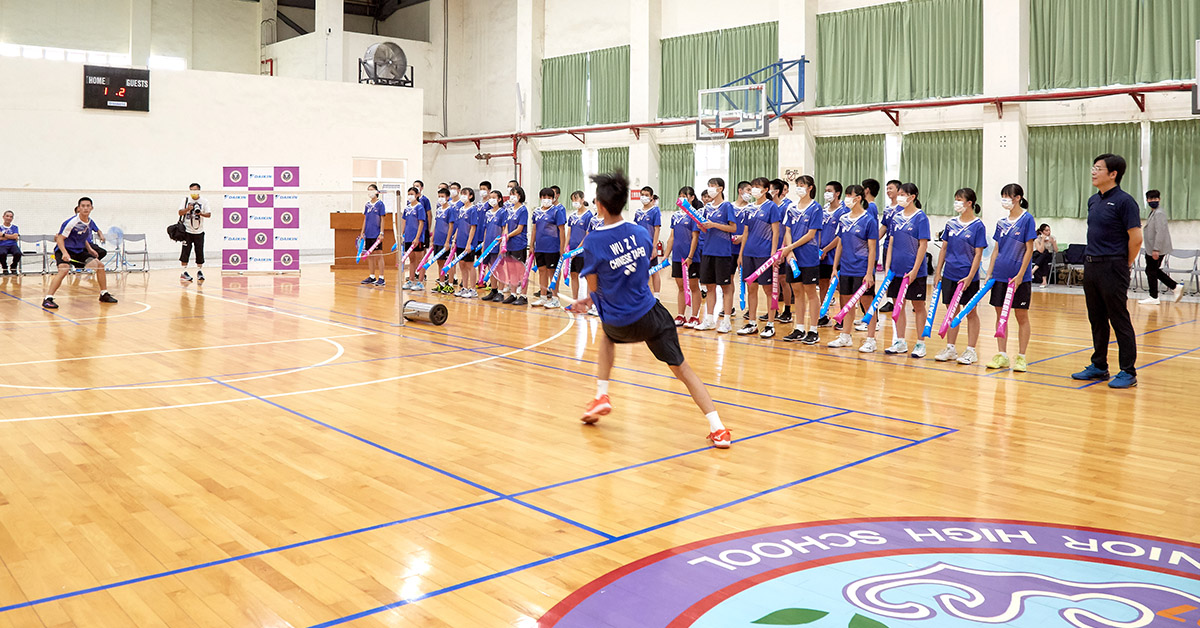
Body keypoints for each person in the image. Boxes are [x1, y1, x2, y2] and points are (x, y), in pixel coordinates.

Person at [569, 170, 731, 450]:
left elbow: (595, 288)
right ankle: (718, 428)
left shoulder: (593, 242)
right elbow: (640, 274)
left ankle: (602, 394)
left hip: (618, 318)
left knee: (608, 338)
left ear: (600, 205)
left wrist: (585, 301)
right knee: (683, 370)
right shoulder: (640, 233)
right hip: (650, 314)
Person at [1071, 154, 1143, 389]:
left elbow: (1136, 238)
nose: (1093, 172)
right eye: (1093, 167)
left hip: (1114, 265)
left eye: (1098, 168)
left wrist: (1125, 263)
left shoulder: (1125, 201)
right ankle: (1099, 365)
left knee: (1118, 318)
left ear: (1113, 174)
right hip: (1091, 265)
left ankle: (1128, 371)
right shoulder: (1093, 200)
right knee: (1097, 318)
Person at [984, 184, 1036, 373]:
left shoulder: (1027, 219)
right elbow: (996, 249)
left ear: (1018, 198)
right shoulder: (1001, 223)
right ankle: (1002, 355)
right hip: (1000, 275)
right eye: (1003, 196)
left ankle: (1021, 357)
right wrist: (989, 273)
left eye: (1008, 196)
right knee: (1000, 316)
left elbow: (1029, 248)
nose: (1005, 199)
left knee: (1021, 315)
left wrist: (1021, 274)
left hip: (1019, 277)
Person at [933, 188, 987, 365]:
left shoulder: (978, 226)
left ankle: (971, 350)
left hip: (968, 276)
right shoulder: (951, 223)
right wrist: (938, 272)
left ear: (969, 203)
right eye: (955, 199)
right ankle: (951, 348)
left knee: (970, 312)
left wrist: (971, 276)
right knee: (951, 311)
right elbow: (944, 248)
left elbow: (978, 254)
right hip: (950, 273)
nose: (956, 203)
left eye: (959, 199)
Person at [827, 185, 879, 352]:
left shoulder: (868, 220)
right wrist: (835, 267)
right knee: (846, 303)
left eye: (850, 195)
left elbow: (872, 248)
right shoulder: (843, 219)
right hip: (846, 267)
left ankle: (871, 339)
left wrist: (869, 272)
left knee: (867, 302)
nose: (847, 198)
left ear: (858, 198)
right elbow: (840, 244)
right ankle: (845, 336)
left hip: (862, 268)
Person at [883, 182, 930, 358]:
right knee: (897, 304)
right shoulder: (896, 217)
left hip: (915, 272)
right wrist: (888, 267)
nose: (900, 196)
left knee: (918, 306)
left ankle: (920, 343)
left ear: (912, 197)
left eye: (903, 194)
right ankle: (900, 340)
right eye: (899, 193)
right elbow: (892, 243)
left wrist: (915, 270)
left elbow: (922, 245)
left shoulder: (921, 217)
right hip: (896, 269)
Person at [43, 197, 118, 309]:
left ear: (92, 208)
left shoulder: (89, 222)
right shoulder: (72, 222)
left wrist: (90, 249)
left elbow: (82, 237)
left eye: (88, 206)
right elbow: (59, 238)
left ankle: (104, 294)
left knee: (100, 266)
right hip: (64, 249)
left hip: (79, 250)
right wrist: (64, 253)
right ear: (79, 208)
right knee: (64, 269)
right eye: (83, 206)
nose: (85, 208)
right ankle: (48, 298)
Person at [736, 177, 782, 338]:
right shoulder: (748, 209)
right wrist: (741, 254)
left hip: (765, 254)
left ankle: (770, 324)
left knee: (768, 290)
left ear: (765, 189)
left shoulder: (771, 207)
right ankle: (752, 323)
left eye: (758, 187)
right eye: (752, 186)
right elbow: (746, 232)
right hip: (749, 253)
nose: (754, 189)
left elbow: (776, 231)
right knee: (751, 288)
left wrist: (774, 253)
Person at [779, 175, 823, 344]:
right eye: (797, 185)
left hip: (808, 256)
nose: (799, 188)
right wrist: (789, 252)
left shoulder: (816, 208)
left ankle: (813, 329)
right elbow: (787, 231)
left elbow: (811, 234)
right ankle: (799, 328)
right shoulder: (791, 208)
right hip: (793, 257)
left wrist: (789, 248)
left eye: (802, 185)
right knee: (797, 292)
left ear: (810, 187)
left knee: (811, 292)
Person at [696, 178, 739, 333]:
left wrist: (714, 225)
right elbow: (705, 230)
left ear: (720, 189)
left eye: (712, 186)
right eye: (708, 186)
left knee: (725, 287)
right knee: (709, 287)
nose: (710, 189)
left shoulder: (727, 206)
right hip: (707, 251)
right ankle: (709, 319)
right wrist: (703, 226)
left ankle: (726, 321)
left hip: (722, 252)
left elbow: (733, 228)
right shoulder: (707, 208)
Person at [1139, 189, 1183, 305]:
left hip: (1156, 248)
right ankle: (1174, 287)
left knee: (1151, 270)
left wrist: (1156, 249)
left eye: (1155, 198)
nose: (1153, 201)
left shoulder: (1159, 213)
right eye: (1150, 199)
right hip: (1152, 248)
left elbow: (1161, 232)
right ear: (1147, 200)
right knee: (1152, 270)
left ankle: (1155, 296)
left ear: (1159, 199)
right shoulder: (1153, 212)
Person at [667, 186, 702, 327]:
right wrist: (666, 255)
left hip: (691, 257)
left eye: (685, 196)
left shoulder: (695, 214)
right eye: (680, 195)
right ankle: (681, 315)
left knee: (693, 286)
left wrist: (690, 256)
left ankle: (694, 316)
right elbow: (671, 237)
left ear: (692, 198)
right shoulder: (675, 216)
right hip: (677, 256)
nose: (682, 198)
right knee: (680, 286)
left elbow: (695, 237)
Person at [816, 181, 847, 328]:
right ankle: (824, 315)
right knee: (823, 284)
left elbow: (840, 236)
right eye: (825, 190)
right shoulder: (823, 210)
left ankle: (843, 317)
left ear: (837, 193)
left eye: (829, 190)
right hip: (822, 254)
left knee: (839, 285)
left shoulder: (843, 211)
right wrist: (819, 249)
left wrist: (827, 249)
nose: (826, 193)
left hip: (835, 254)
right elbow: (819, 231)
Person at [532, 187, 566, 308]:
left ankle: (555, 298)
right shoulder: (536, 212)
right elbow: (535, 228)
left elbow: (562, 230)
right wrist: (532, 245)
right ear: (540, 198)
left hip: (553, 248)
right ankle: (543, 297)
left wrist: (562, 248)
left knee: (553, 273)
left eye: (549, 198)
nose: (546, 200)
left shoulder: (557, 211)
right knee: (542, 272)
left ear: (553, 198)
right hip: (539, 247)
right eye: (544, 197)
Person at [565, 191, 594, 304]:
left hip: (583, 252)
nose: (575, 202)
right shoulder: (572, 216)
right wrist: (565, 248)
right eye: (573, 200)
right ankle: (575, 300)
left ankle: (589, 302)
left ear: (582, 199)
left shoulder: (589, 216)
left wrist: (577, 250)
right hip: (571, 252)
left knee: (587, 277)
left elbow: (587, 236)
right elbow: (569, 233)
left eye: (576, 199)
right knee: (573, 275)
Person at [503, 185, 530, 305]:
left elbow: (520, 228)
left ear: (520, 196)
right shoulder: (509, 210)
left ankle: (523, 295)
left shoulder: (523, 210)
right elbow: (507, 226)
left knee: (521, 270)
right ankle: (513, 294)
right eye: (511, 194)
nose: (512, 197)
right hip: (509, 244)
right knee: (511, 270)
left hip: (519, 243)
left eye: (515, 194)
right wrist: (504, 237)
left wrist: (508, 235)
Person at [178, 183, 211, 281]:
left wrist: (200, 213)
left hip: (199, 231)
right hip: (187, 231)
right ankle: (183, 272)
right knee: (185, 252)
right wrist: (188, 209)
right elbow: (180, 212)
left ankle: (199, 271)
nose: (193, 192)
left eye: (195, 190)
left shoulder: (204, 201)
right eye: (191, 190)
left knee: (199, 252)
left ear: (199, 191)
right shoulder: (186, 200)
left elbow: (209, 214)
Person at [634, 186, 663, 298]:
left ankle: (657, 296)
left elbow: (657, 229)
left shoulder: (655, 210)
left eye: (647, 195)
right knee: (640, 271)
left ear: (651, 197)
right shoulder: (638, 212)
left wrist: (654, 247)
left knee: (654, 270)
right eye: (642, 194)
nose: (644, 197)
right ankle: (642, 295)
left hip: (650, 245)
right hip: (639, 246)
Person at [481, 189, 508, 301]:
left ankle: (501, 292)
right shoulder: (487, 213)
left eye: (494, 197)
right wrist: (484, 245)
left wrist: (503, 243)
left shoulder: (502, 212)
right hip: (488, 244)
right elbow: (486, 230)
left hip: (497, 244)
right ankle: (493, 290)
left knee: (499, 268)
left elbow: (504, 228)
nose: (491, 199)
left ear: (499, 199)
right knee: (491, 268)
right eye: (490, 197)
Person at [452, 187, 479, 298]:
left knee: (470, 265)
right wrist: (454, 240)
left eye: (465, 194)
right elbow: (458, 226)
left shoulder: (473, 209)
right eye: (462, 193)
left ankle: (473, 289)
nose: (463, 195)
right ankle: (465, 287)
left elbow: (473, 227)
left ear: (471, 196)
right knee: (462, 265)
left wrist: (469, 243)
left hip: (469, 243)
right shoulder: (460, 209)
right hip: (460, 242)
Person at [359, 183, 387, 286]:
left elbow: (382, 219)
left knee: (379, 255)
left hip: (377, 234)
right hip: (368, 234)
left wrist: (381, 232)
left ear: (376, 191)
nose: (370, 192)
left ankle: (381, 277)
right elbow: (365, 219)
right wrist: (362, 232)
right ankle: (372, 276)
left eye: (372, 190)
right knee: (370, 256)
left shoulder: (380, 204)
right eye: (368, 190)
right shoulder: (367, 205)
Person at [430, 187, 457, 293]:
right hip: (437, 239)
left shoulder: (450, 210)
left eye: (442, 197)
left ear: (448, 197)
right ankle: (441, 283)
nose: (440, 199)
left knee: (448, 262)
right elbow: (436, 224)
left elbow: (451, 226)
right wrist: (432, 239)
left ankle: (450, 284)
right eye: (439, 196)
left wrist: (448, 241)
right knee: (439, 262)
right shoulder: (438, 209)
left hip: (446, 240)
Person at [401, 187, 427, 290]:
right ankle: (411, 280)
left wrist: (417, 238)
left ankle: (420, 282)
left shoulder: (420, 207)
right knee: (411, 259)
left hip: (417, 239)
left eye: (412, 194)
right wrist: (401, 234)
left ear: (417, 195)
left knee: (420, 259)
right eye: (409, 194)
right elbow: (404, 221)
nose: (410, 196)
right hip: (408, 237)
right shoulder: (407, 208)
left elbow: (421, 223)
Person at [1031, 223, 1057, 289]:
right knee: (1044, 254)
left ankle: (1033, 270)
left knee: (1045, 254)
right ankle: (1044, 281)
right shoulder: (1037, 239)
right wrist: (1042, 240)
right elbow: (1041, 251)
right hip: (1038, 256)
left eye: (1049, 230)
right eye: (1046, 230)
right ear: (1041, 232)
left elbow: (1056, 250)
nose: (1048, 232)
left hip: (1048, 256)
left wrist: (1053, 242)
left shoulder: (1052, 238)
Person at [0, 211, 21, 275]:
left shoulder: (15, 227)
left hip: (13, 245)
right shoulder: (0, 227)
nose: (9, 218)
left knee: (18, 253)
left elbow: (15, 236)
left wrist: (3, 235)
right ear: (3, 217)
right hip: (2, 245)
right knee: (1, 253)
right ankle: (5, 267)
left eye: (11, 217)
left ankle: (13, 267)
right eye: (7, 216)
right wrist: (11, 237)